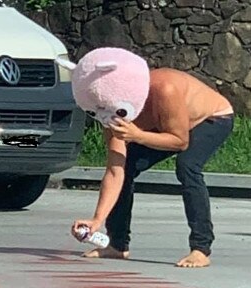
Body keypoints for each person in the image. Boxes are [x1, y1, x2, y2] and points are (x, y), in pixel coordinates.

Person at [57, 48, 234, 268]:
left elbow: (180, 141)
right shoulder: (111, 113)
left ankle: (200, 248)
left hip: (211, 118)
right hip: (164, 127)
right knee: (128, 165)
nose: (109, 118)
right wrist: (97, 220)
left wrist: (138, 135)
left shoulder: (164, 89)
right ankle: (117, 245)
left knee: (187, 166)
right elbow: (115, 171)